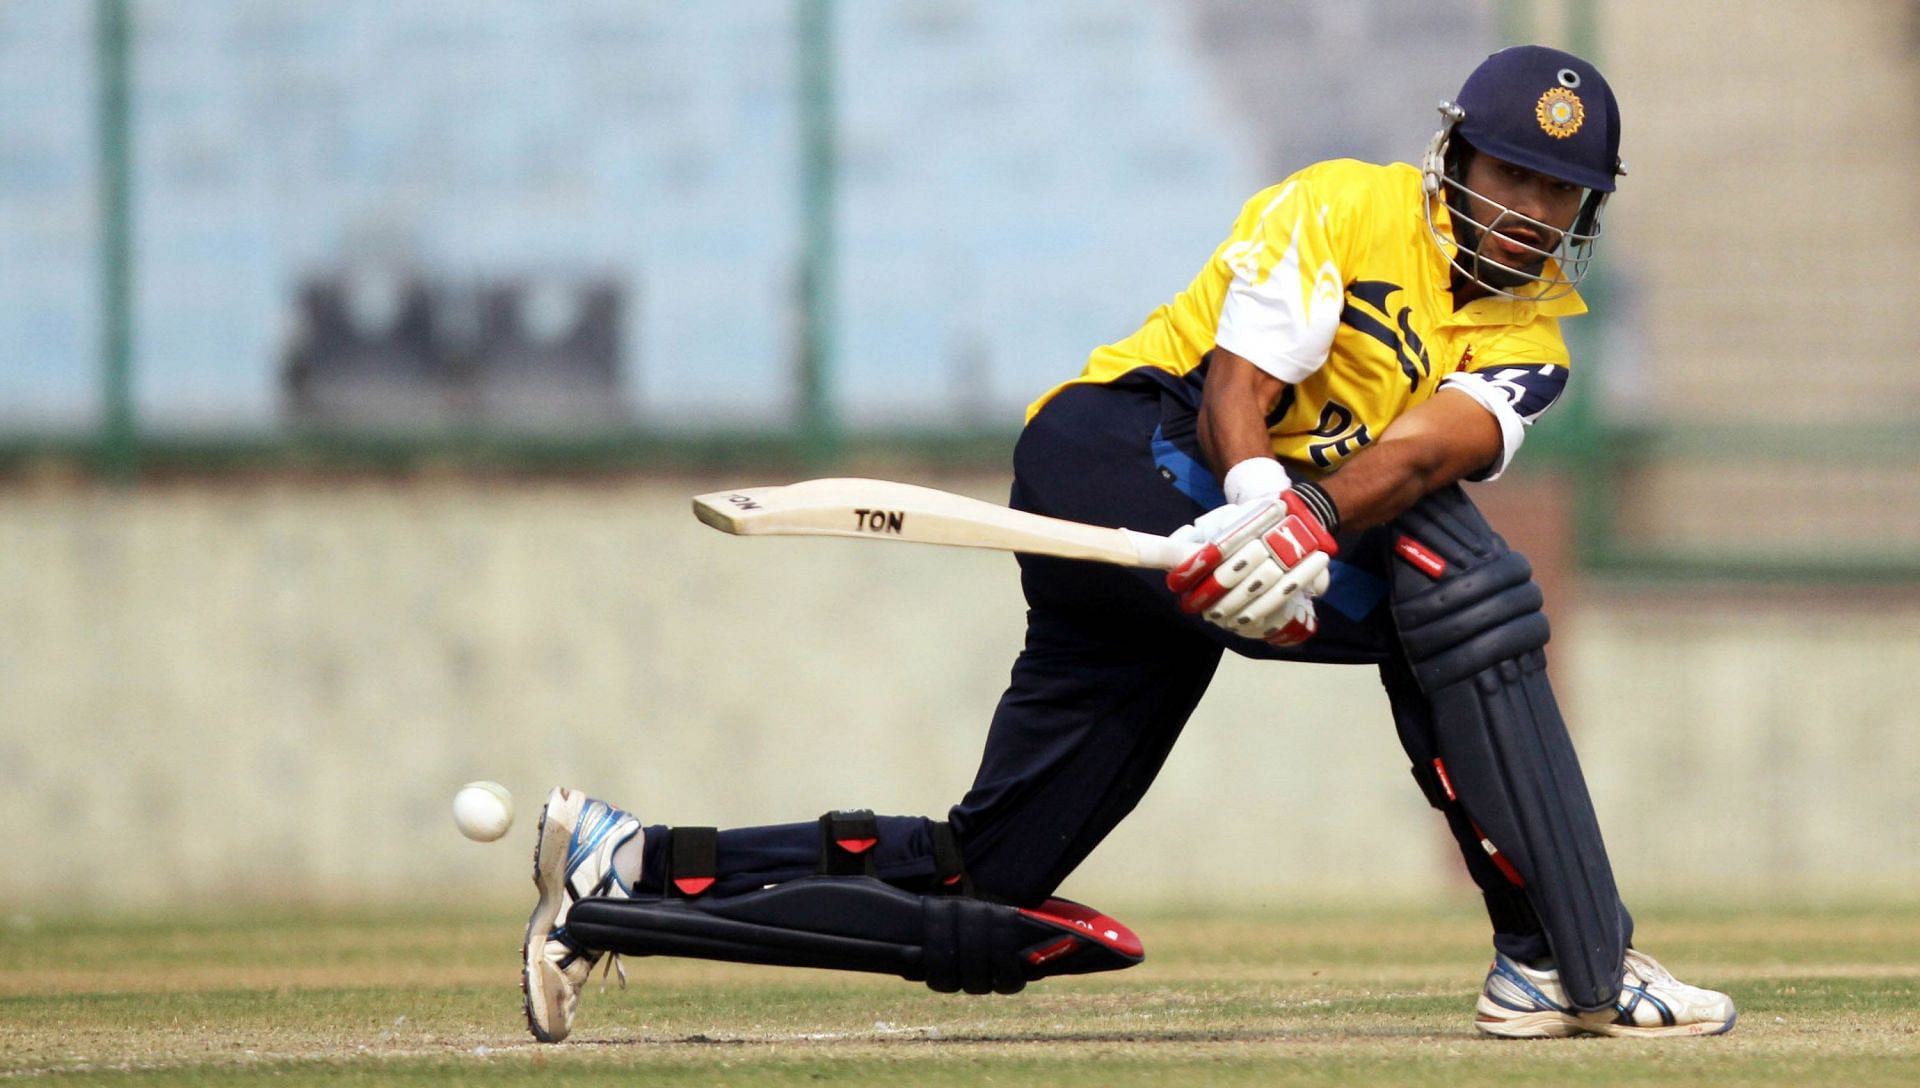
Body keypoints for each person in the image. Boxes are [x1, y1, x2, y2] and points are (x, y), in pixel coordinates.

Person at [521, 45, 1736, 1043]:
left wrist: (1301, 523)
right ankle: (1551, 950)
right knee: (1451, 602)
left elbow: (1428, 451)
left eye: (1555, 191)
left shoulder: (1539, 343)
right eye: (1508, 173)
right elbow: (1236, 384)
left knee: (983, 869)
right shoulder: (1343, 207)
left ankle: (629, 870)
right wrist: (1266, 494)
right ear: (1454, 154)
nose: (1526, 211)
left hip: (1243, 543)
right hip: (1121, 443)